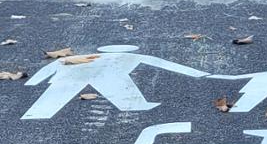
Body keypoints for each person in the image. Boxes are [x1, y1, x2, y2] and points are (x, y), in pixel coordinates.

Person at [22, 45, 209, 120]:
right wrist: (200, 75)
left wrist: (33, 82)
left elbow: (55, 65)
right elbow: (161, 63)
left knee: (49, 102)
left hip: (68, 79)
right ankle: (137, 105)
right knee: (123, 93)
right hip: (110, 78)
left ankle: (38, 113)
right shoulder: (129, 56)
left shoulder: (82, 56)